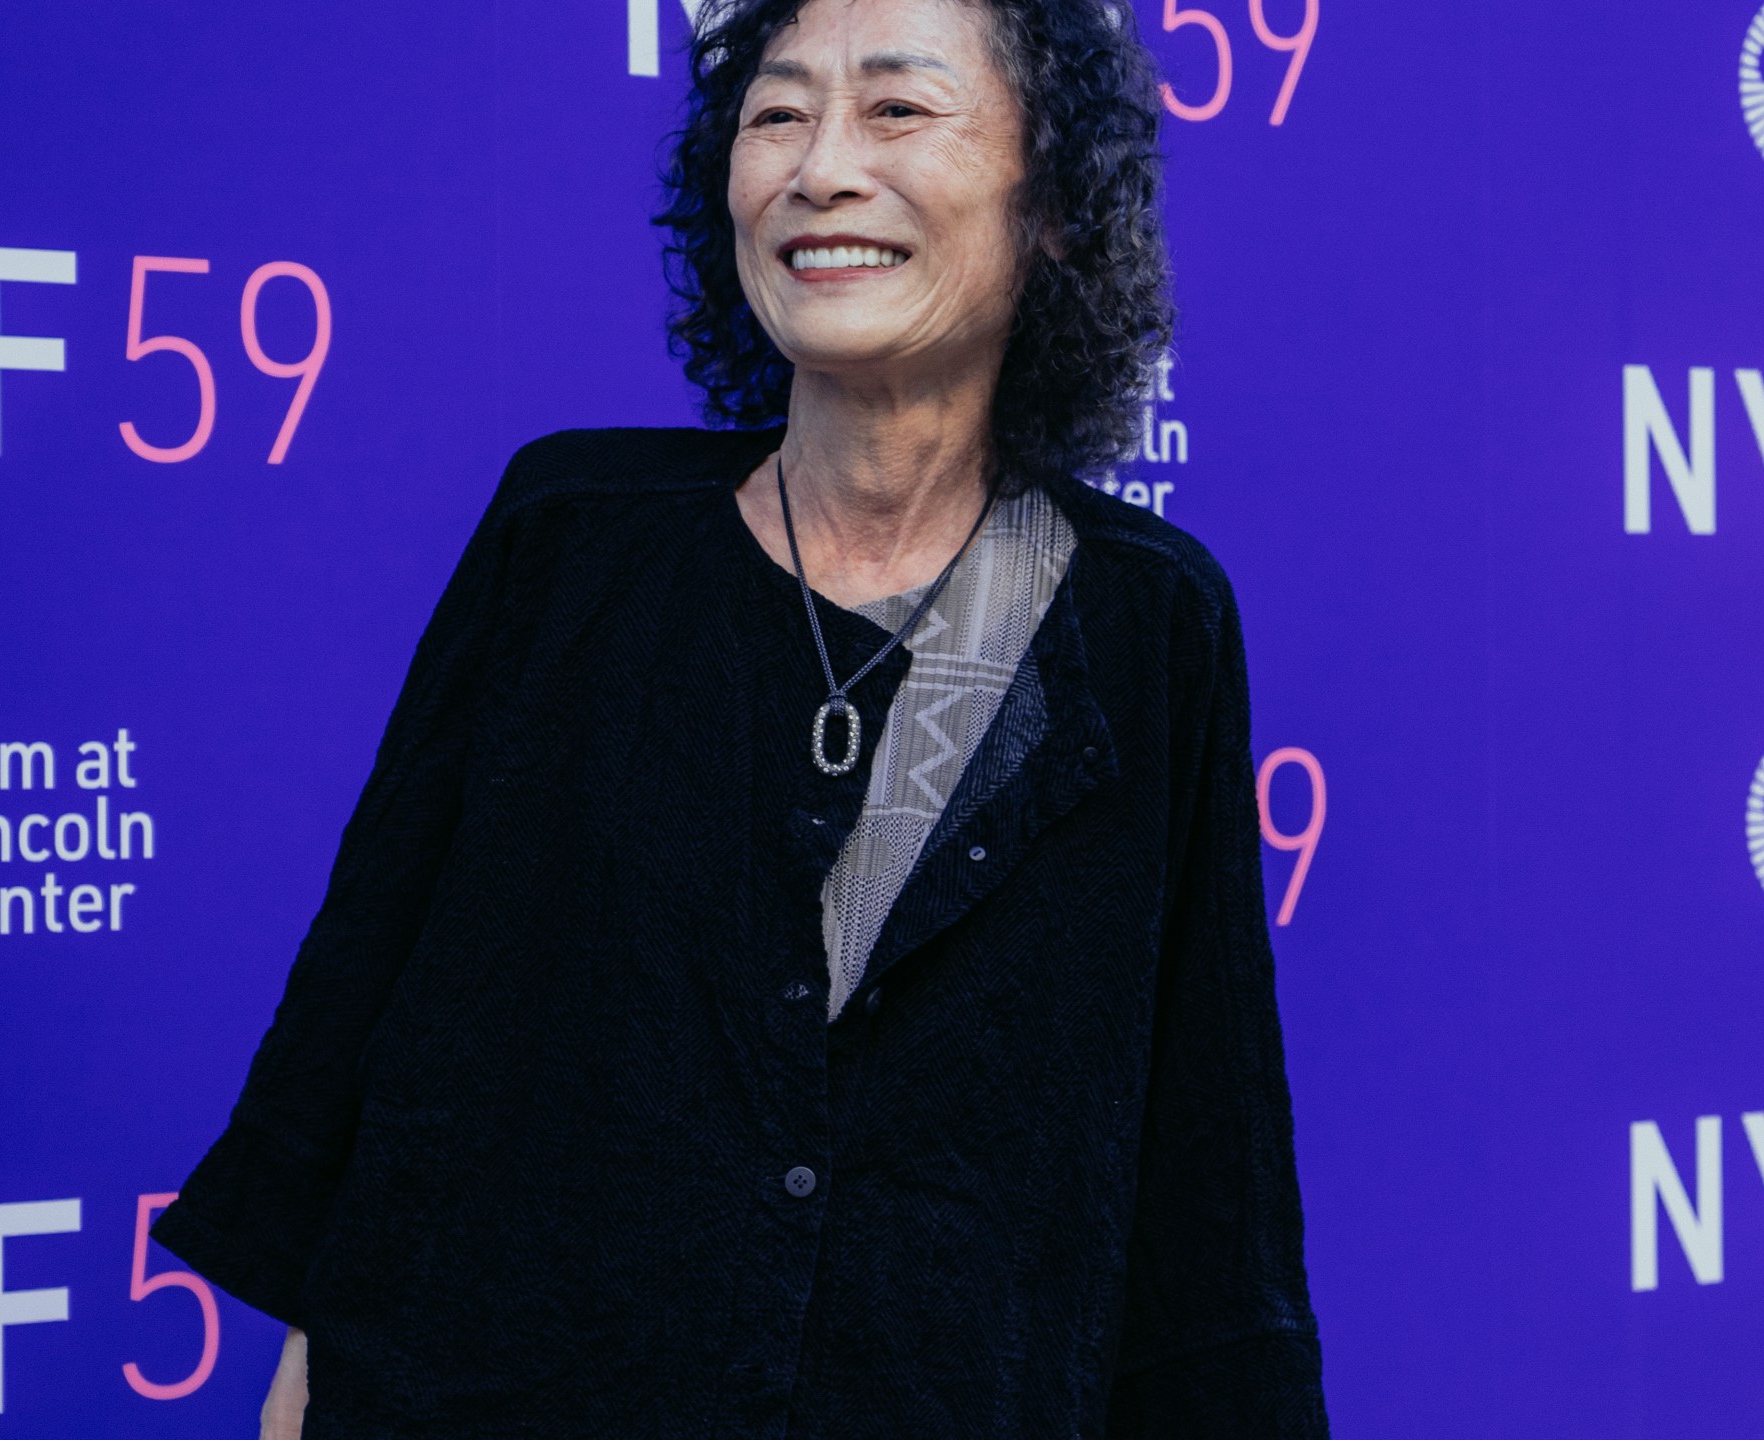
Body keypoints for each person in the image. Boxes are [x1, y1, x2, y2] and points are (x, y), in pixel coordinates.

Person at [152, 0, 1326, 1433]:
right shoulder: (570, 536)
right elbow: (373, 995)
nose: (821, 168)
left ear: (1055, 208)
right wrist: (308, 1360)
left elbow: (1206, 1157)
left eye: (897, 109)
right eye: (777, 114)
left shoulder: (1146, 620)